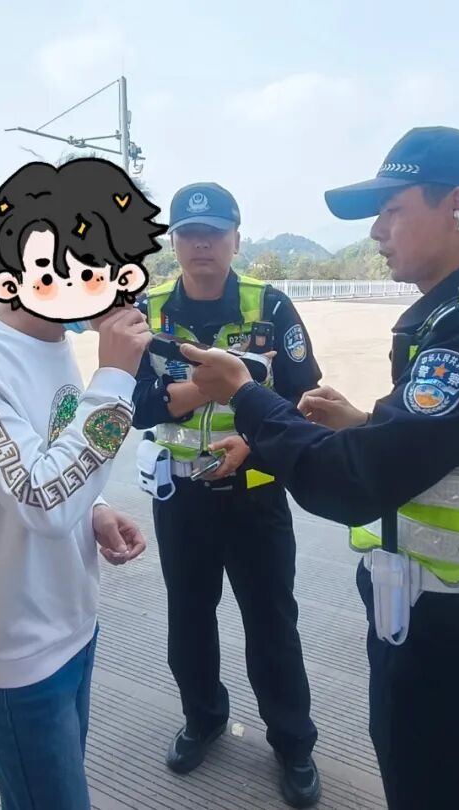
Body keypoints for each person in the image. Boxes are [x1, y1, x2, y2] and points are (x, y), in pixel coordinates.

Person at [180, 127, 459, 810]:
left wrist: (244, 395)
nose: (377, 231)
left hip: (453, 630)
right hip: (439, 617)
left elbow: (353, 483)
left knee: (439, 787)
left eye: (392, 210)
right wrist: (360, 424)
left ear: (458, 207)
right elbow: (430, 447)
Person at [0, 158, 163, 809]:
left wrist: (96, 508)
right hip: (17, 640)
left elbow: (51, 450)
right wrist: (116, 378)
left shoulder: (54, 335)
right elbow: (42, 498)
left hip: (73, 613)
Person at [130, 181, 323, 808]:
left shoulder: (271, 307)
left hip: (255, 493)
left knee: (272, 623)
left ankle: (292, 743)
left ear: (236, 239)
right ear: (174, 242)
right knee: (189, 617)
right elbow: (132, 405)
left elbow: (305, 399)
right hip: (180, 497)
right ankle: (204, 718)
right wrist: (203, 392)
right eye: (189, 233)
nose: (202, 244)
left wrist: (252, 444)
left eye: (214, 232)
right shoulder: (149, 310)